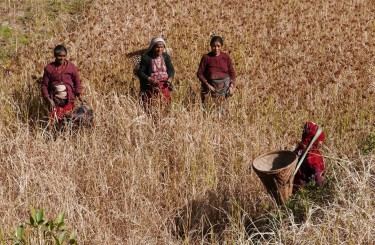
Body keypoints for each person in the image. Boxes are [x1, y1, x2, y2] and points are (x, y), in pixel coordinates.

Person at [41, 45, 82, 125]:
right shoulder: (49, 68)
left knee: (70, 121)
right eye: (59, 56)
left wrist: (79, 94)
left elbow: (77, 81)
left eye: (64, 56)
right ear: (55, 56)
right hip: (55, 102)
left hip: (69, 101)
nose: (62, 58)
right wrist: (48, 99)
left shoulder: (70, 66)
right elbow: (44, 85)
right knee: (56, 122)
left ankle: (68, 136)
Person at [137, 37, 175, 113]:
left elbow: (171, 69)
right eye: (157, 47)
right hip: (152, 85)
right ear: (153, 47)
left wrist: (170, 79)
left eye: (161, 47)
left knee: (166, 104)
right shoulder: (146, 58)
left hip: (165, 84)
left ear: (164, 47)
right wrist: (150, 79)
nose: (159, 49)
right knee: (152, 105)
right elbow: (140, 72)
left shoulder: (165, 56)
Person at [197, 36, 236, 106]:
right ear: (210, 46)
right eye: (214, 46)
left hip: (225, 88)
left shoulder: (226, 57)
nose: (216, 48)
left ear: (222, 46)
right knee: (210, 108)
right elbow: (200, 73)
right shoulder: (206, 57)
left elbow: (232, 73)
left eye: (218, 46)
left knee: (223, 109)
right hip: (211, 88)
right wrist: (207, 85)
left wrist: (231, 86)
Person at [293, 121, 326, 191]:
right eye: (320, 140)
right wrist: (321, 191)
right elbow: (318, 177)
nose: (321, 143)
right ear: (314, 140)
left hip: (295, 188)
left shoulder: (299, 150)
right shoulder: (313, 156)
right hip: (305, 191)